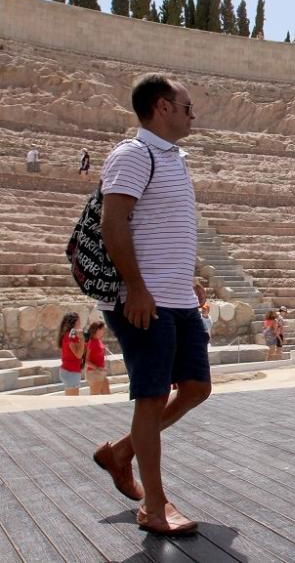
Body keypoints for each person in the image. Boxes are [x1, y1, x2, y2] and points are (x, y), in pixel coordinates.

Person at [93, 73, 210, 536]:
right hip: (145, 300)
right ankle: (155, 507)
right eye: (186, 107)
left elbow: (165, 227)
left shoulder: (175, 159)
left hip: (177, 297)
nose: (191, 115)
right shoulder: (133, 155)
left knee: (197, 388)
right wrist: (136, 288)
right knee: (152, 398)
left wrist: (191, 278)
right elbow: (114, 223)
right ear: (162, 107)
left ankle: (121, 453)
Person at [58, 312, 84, 396]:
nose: (80, 323)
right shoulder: (70, 337)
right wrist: (82, 340)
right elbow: (78, 355)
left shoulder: (69, 335)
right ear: (74, 322)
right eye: (79, 321)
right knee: (72, 401)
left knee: (71, 400)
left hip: (70, 370)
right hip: (71, 371)